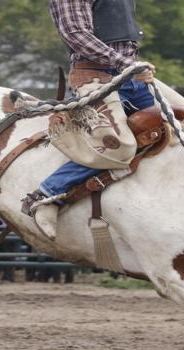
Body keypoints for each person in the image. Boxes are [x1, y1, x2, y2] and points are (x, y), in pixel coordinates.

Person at [22, 0, 159, 240]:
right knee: (116, 144)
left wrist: (131, 68)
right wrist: (127, 65)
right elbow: (77, 35)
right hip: (96, 77)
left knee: (170, 131)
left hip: (130, 75)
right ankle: (46, 194)